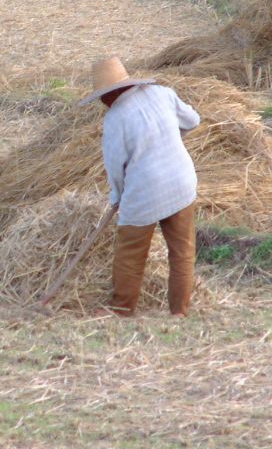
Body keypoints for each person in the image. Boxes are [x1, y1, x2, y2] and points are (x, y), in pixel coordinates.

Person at [79, 56, 200, 317]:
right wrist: (168, 141)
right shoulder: (162, 93)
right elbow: (192, 121)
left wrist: (117, 196)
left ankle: (122, 309)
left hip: (145, 192)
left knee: (131, 254)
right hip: (182, 181)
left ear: (107, 95)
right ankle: (179, 312)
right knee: (182, 251)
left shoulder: (115, 119)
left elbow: (116, 167)